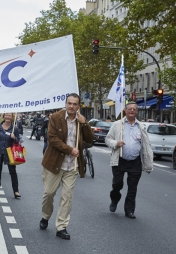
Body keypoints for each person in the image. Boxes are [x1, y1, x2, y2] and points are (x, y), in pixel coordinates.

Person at [39, 94, 94, 240]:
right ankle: (45, 216)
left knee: (67, 197)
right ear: (65, 104)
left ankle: (61, 226)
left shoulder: (80, 121)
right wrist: (70, 150)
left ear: (78, 106)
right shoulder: (56, 117)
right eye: (69, 103)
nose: (71, 106)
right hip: (54, 163)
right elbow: (52, 139)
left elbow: (90, 139)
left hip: (72, 165)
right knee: (49, 193)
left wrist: (85, 124)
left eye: (75, 104)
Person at [105, 101, 153, 219]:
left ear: (137, 111)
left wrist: (148, 162)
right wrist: (116, 143)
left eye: (134, 109)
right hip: (120, 160)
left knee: (132, 187)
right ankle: (114, 200)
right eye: (129, 109)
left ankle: (129, 210)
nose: (132, 110)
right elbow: (107, 139)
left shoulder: (141, 126)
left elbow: (146, 144)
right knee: (117, 184)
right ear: (125, 111)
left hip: (135, 161)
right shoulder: (117, 124)